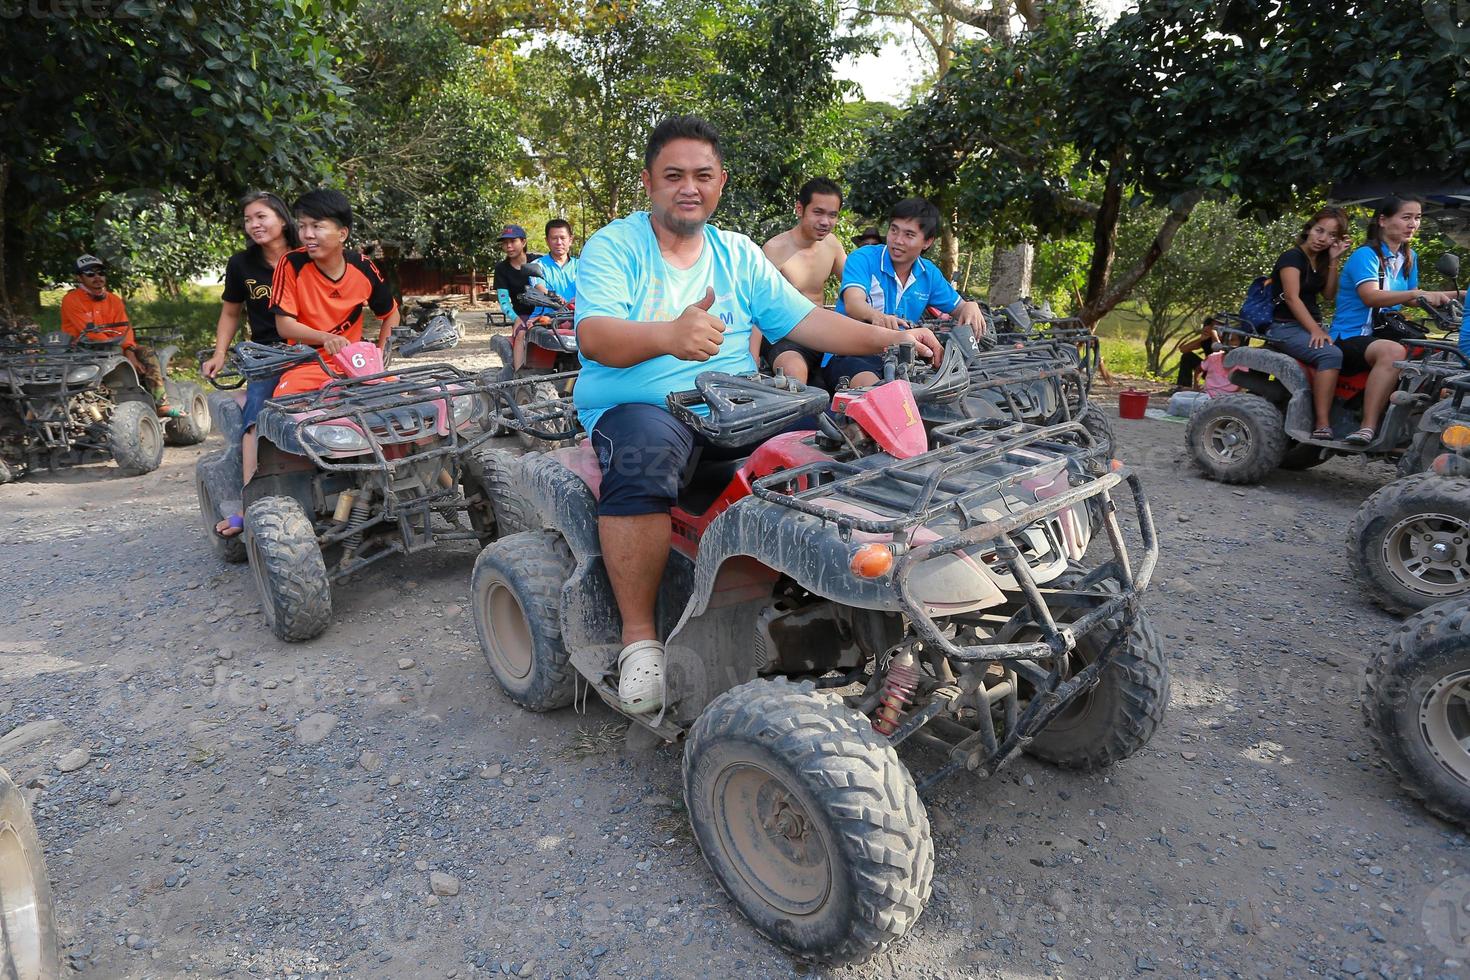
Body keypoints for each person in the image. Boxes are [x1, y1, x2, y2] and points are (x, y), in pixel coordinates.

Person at [574, 115, 942, 715]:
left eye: (702, 175)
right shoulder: (614, 247)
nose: (688, 187)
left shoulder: (738, 252)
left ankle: (838, 601)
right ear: (649, 182)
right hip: (639, 404)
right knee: (644, 458)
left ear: (720, 183)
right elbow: (593, 336)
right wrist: (668, 335)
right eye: (673, 175)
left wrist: (889, 339)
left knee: (839, 436)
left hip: (737, 400)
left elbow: (804, 322)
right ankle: (639, 639)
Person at [202, 191, 302, 537]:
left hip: (316, 345)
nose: (254, 225)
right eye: (248, 220)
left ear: (282, 219)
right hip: (268, 354)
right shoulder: (241, 264)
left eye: (261, 217)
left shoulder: (308, 254)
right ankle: (251, 506)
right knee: (255, 418)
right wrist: (219, 353)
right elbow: (231, 311)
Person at [1331, 195, 1460, 444]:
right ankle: (1368, 427)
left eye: (1418, 218)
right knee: (1393, 352)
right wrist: (1416, 293)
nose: (1413, 224)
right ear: (1383, 220)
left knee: (1441, 353)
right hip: (1352, 335)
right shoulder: (1365, 256)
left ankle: (1413, 418)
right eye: (1406, 217)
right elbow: (1370, 296)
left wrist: (1460, 295)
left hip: (1383, 333)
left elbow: (1414, 299)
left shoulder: (1408, 258)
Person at [827, 197, 987, 389]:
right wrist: (877, 317)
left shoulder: (929, 274)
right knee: (877, 391)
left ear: (927, 242)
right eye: (894, 230)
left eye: (909, 235)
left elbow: (959, 308)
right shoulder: (863, 258)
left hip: (899, 359)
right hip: (849, 353)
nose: (897, 240)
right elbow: (854, 304)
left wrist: (970, 306)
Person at [269, 189, 400, 397]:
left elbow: (391, 314)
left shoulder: (363, 267)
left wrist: (381, 355)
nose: (307, 234)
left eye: (317, 226)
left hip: (356, 363)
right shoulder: (291, 264)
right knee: (287, 406)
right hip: (307, 365)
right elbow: (284, 326)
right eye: (302, 226)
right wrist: (326, 338)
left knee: (401, 398)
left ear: (342, 234)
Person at [1265, 207, 1351, 439]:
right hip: (1285, 326)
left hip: (1310, 325)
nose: (1323, 239)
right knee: (1330, 355)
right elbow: (1292, 297)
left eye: (1332, 235)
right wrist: (1314, 329)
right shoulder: (1292, 257)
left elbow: (1329, 295)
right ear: (1309, 229)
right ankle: (1322, 423)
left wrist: (1334, 261)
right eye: (1319, 230)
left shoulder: (1320, 260)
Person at [751, 177, 848, 385]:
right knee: (794, 370)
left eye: (833, 215)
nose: (825, 222)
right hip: (785, 335)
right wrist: (751, 358)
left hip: (822, 331)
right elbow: (756, 307)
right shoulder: (774, 249)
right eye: (818, 212)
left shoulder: (832, 245)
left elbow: (855, 289)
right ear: (799, 209)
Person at [59, 255, 178, 416]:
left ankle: (160, 402)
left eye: (100, 272)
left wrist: (128, 350)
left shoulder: (114, 299)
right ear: (79, 277)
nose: (97, 277)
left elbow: (125, 328)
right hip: (83, 348)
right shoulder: (71, 300)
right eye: (90, 274)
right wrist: (118, 350)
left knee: (148, 354)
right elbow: (89, 333)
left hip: (117, 346)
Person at [492, 224, 543, 319]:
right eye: (505, 243)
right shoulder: (501, 268)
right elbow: (504, 301)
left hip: (546, 315)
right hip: (522, 316)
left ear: (523, 242)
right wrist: (515, 319)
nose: (509, 246)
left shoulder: (538, 261)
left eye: (513, 241)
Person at [1170, 316, 1222, 392]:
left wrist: (1214, 334)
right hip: (1207, 369)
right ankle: (1184, 387)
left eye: (1213, 327)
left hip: (1221, 374)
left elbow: (1218, 352)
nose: (1209, 328)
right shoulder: (1206, 339)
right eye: (1208, 325)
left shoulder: (1227, 339)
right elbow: (1183, 350)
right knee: (1187, 356)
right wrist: (1200, 339)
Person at [537, 219, 578, 304]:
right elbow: (538, 286)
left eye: (563, 238)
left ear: (570, 240)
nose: (559, 242)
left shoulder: (582, 265)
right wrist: (554, 297)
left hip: (578, 314)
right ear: (547, 241)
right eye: (554, 238)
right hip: (547, 316)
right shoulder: (537, 265)